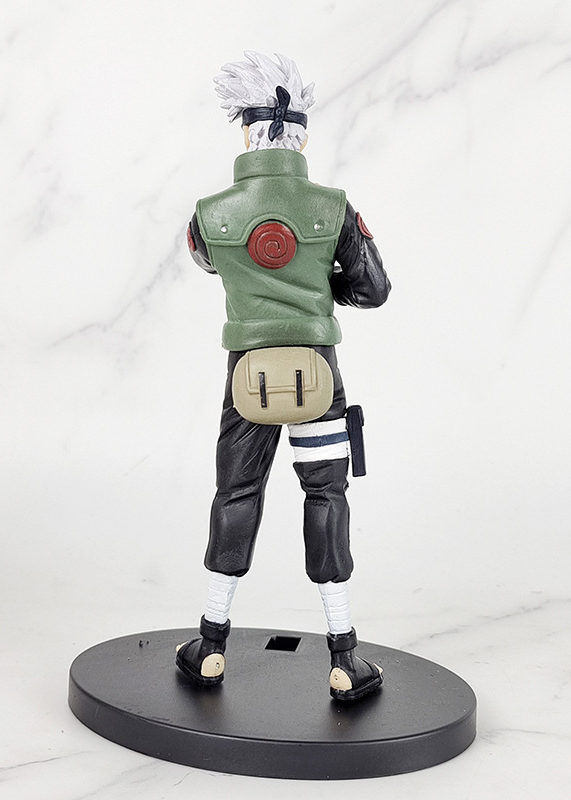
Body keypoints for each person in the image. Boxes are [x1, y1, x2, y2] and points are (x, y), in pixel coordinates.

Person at [177, 52, 391, 701]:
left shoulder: (208, 215)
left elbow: (212, 264)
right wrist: (321, 288)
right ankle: (344, 656)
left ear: (246, 133)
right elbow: (374, 289)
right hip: (317, 376)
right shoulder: (335, 209)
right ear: (302, 135)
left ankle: (211, 646)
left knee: (235, 494)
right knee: (326, 496)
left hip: (247, 377)